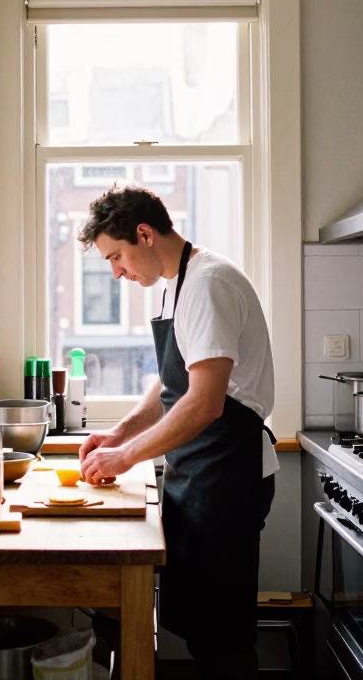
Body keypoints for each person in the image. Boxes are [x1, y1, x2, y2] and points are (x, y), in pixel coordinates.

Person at [77, 185, 278, 678]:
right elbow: (174, 383)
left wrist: (124, 460)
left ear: (145, 234)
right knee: (201, 627)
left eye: (117, 256)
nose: (117, 271)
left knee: (223, 635)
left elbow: (204, 403)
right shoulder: (173, 284)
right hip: (199, 471)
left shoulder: (209, 284)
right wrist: (119, 434)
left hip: (229, 473)